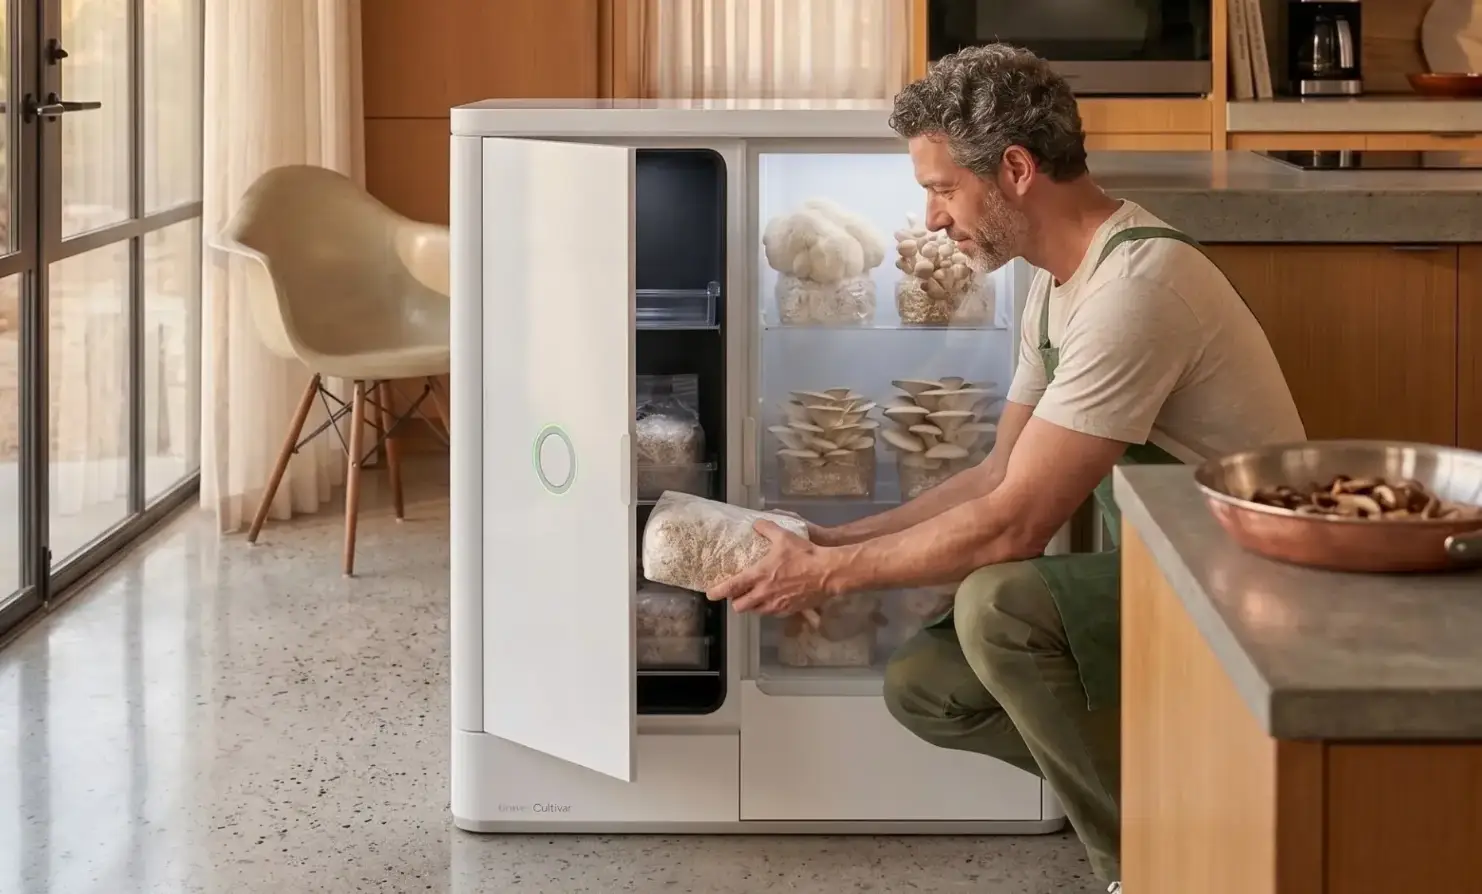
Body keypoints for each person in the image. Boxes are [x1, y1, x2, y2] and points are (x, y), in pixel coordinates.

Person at [707, 44, 1306, 891]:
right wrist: (834, 537)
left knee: (1001, 608)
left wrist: (829, 579)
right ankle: (1192, 812)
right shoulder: (1057, 285)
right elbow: (996, 476)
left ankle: (1147, 866)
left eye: (944, 188)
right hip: (1166, 565)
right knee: (924, 685)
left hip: (1241, 579)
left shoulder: (1138, 287)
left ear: (1016, 170)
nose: (934, 217)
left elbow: (1018, 523)